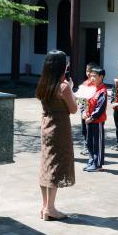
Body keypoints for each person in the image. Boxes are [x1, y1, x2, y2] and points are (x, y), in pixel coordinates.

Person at [36, 50, 78, 221]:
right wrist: (72, 90)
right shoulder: (63, 87)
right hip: (60, 128)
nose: (67, 64)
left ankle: (44, 206)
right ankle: (51, 208)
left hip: (46, 127)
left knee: (46, 164)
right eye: (65, 62)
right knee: (55, 167)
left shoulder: (43, 84)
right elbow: (73, 109)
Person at [83, 66, 107, 172]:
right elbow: (85, 102)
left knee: (97, 143)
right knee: (89, 142)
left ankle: (97, 164)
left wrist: (92, 117)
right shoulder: (91, 88)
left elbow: (100, 108)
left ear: (101, 77)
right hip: (88, 120)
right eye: (91, 76)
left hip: (97, 121)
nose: (92, 78)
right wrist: (84, 112)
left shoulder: (103, 90)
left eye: (94, 76)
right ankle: (91, 160)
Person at [79, 62, 98, 155]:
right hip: (84, 112)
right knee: (84, 130)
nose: (88, 73)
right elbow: (81, 98)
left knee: (92, 131)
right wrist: (82, 110)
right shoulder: (85, 83)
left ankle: (92, 147)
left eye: (90, 71)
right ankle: (86, 145)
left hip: (92, 113)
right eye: (87, 71)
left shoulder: (96, 85)